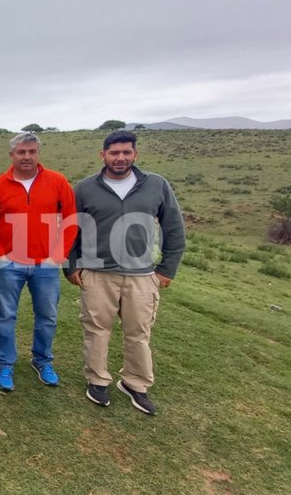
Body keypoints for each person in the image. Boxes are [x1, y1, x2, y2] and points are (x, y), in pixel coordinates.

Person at [67, 131, 185, 415]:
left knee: (139, 332)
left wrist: (166, 268)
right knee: (96, 330)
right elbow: (71, 229)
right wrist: (71, 265)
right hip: (97, 273)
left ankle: (135, 383)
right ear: (103, 155)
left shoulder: (156, 185)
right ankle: (97, 380)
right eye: (114, 153)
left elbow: (173, 228)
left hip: (142, 275)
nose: (120, 158)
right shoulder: (85, 188)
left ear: (135, 154)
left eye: (126, 152)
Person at [0, 133, 78, 392]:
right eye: (21, 152)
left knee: (47, 316)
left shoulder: (57, 182)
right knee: (5, 316)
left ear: (38, 153)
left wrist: (57, 256)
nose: (27, 156)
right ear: (11, 155)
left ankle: (42, 360)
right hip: (9, 264)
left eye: (32, 151)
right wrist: (0, 253)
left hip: (45, 265)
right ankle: (5, 364)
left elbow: (70, 220)